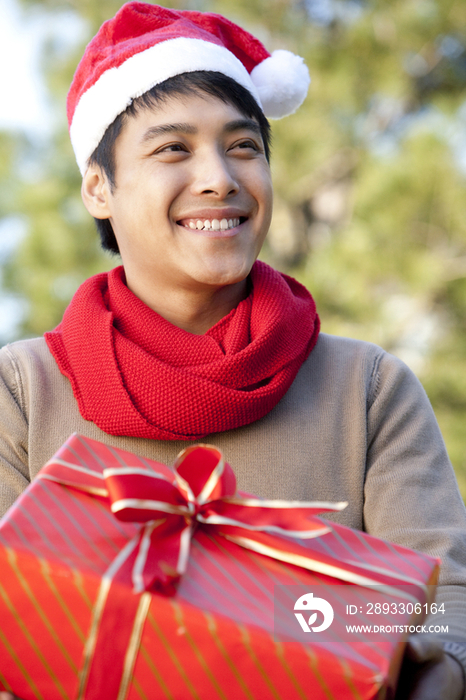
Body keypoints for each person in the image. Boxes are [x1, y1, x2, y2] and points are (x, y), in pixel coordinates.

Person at [0, 3, 465, 699]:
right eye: (173, 149)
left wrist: (369, 656)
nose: (219, 177)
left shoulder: (368, 389)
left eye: (243, 146)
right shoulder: (22, 391)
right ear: (98, 188)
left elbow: (445, 609)